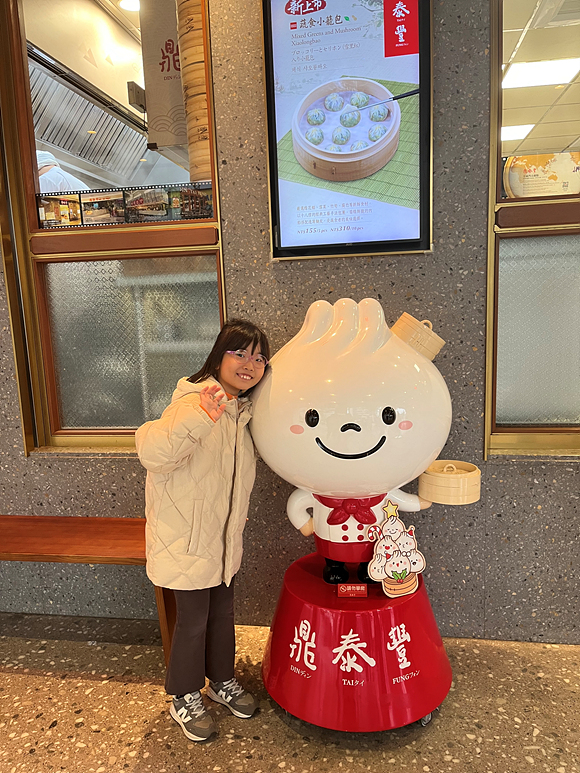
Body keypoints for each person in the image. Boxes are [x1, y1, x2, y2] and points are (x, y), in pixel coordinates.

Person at [135, 319, 271, 742]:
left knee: (223, 614)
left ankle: (221, 680)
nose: (249, 364)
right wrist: (199, 417)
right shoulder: (194, 402)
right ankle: (183, 695)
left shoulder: (239, 413)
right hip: (187, 538)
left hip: (222, 539)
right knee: (193, 620)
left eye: (259, 358)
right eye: (240, 353)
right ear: (218, 356)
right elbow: (153, 452)